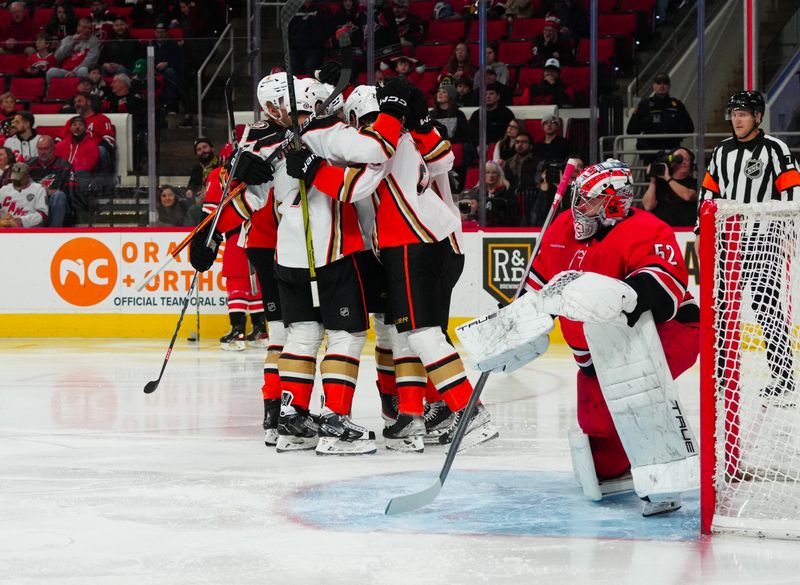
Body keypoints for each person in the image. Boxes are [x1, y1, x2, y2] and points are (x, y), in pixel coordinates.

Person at [463, 159, 700, 516]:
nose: (579, 207)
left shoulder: (649, 230)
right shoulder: (561, 228)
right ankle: (625, 461)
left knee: (637, 390)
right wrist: (508, 330)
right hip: (596, 352)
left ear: (615, 202)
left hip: (665, 334)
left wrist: (608, 294)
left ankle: (664, 481)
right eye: (579, 197)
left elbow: (663, 292)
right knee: (601, 447)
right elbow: (537, 294)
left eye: (589, 201)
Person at [700, 90, 800, 402]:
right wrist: (703, 229)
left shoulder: (775, 148)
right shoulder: (722, 151)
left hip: (763, 241)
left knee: (766, 308)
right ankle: (721, 372)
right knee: (722, 309)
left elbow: (793, 191)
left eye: (743, 113)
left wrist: (786, 230)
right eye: (734, 114)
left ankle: (783, 376)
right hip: (728, 242)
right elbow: (708, 193)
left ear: (758, 117)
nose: (737, 119)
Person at [626, 73, 694, 162]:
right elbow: (631, 130)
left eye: (665, 83)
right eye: (658, 83)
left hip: (672, 152)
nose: (662, 86)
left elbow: (689, 128)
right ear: (653, 86)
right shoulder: (645, 105)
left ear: (669, 86)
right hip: (650, 153)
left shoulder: (677, 105)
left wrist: (676, 135)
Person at [27, 135, 76, 228]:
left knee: (59, 196)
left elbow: (71, 192)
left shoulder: (64, 166)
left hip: (56, 204)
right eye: (40, 149)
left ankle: (54, 232)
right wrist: (41, 191)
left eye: (46, 149)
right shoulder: (28, 165)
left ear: (53, 149)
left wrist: (49, 192)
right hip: (34, 201)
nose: (42, 152)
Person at [641, 147, 697, 226]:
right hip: (663, 230)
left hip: (686, 230)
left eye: (687, 159)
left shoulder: (694, 182)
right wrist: (653, 180)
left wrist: (668, 178)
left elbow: (687, 196)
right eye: (679, 159)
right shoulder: (660, 183)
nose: (684, 162)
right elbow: (648, 206)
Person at [69, 92, 116, 173]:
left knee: (101, 150)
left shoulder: (102, 119)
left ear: (89, 102)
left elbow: (109, 141)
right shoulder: (72, 121)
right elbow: (61, 139)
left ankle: (102, 181)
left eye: (79, 101)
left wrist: (90, 148)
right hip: (75, 150)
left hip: (94, 150)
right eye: (75, 102)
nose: (76, 104)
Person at [461, 161, 516, 226]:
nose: (491, 176)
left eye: (494, 173)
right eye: (487, 172)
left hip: (500, 228)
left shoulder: (507, 192)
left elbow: (512, 216)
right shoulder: (475, 192)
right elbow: (467, 214)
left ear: (499, 175)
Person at [47, 18, 101, 82]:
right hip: (65, 70)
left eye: (89, 28)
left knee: (83, 70)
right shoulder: (67, 39)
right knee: (51, 72)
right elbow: (57, 57)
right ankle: (48, 91)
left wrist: (74, 72)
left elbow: (90, 61)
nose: (87, 30)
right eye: (84, 27)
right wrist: (71, 44)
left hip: (79, 70)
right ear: (78, 27)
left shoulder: (94, 42)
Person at [504, 130, 538, 224]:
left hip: (531, 199)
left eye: (524, 142)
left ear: (531, 146)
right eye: (517, 142)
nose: (520, 144)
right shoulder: (508, 163)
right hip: (512, 200)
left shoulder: (537, 163)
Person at [0, 162, 48, 228]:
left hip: (29, 228)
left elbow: (43, 214)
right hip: (6, 228)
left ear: (27, 176)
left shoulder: (38, 189)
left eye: (19, 178)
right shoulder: (4, 189)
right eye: (14, 178)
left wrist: (22, 221)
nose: (16, 181)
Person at [152, 21, 182, 115]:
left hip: (168, 70)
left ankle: (171, 106)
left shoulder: (173, 44)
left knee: (170, 72)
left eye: (162, 32)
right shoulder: (150, 44)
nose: (160, 34)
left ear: (166, 33)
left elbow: (178, 60)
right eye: (158, 32)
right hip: (153, 70)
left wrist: (167, 64)